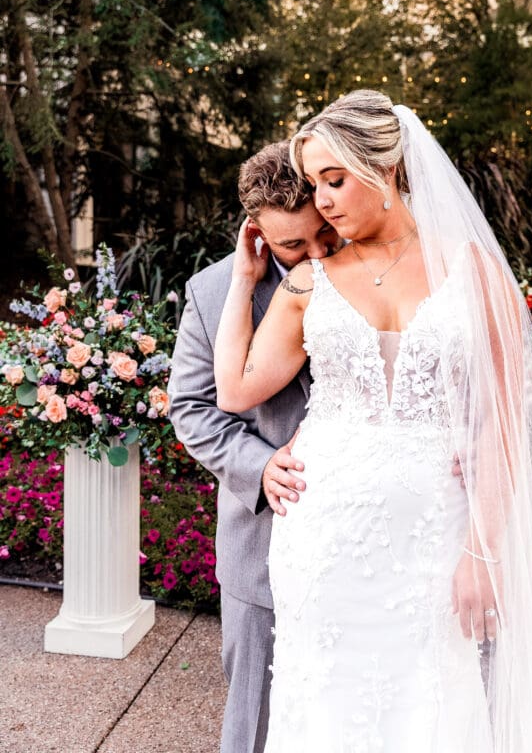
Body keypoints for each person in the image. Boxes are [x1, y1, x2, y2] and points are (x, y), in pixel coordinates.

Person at [213, 92, 532, 753]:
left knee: (433, 704)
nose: (321, 201)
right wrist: (245, 282)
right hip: (320, 535)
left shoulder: (471, 271)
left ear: (383, 169)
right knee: (324, 701)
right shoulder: (310, 280)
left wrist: (480, 549)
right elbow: (236, 388)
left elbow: (503, 419)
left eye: (334, 180)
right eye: (314, 184)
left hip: (432, 535)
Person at [168, 141, 342, 753]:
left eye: (325, 234)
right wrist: (261, 465)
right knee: (256, 717)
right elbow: (191, 408)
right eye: (295, 245)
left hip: (363, 541)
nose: (318, 255)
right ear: (257, 234)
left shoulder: (375, 271)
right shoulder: (212, 293)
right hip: (262, 541)